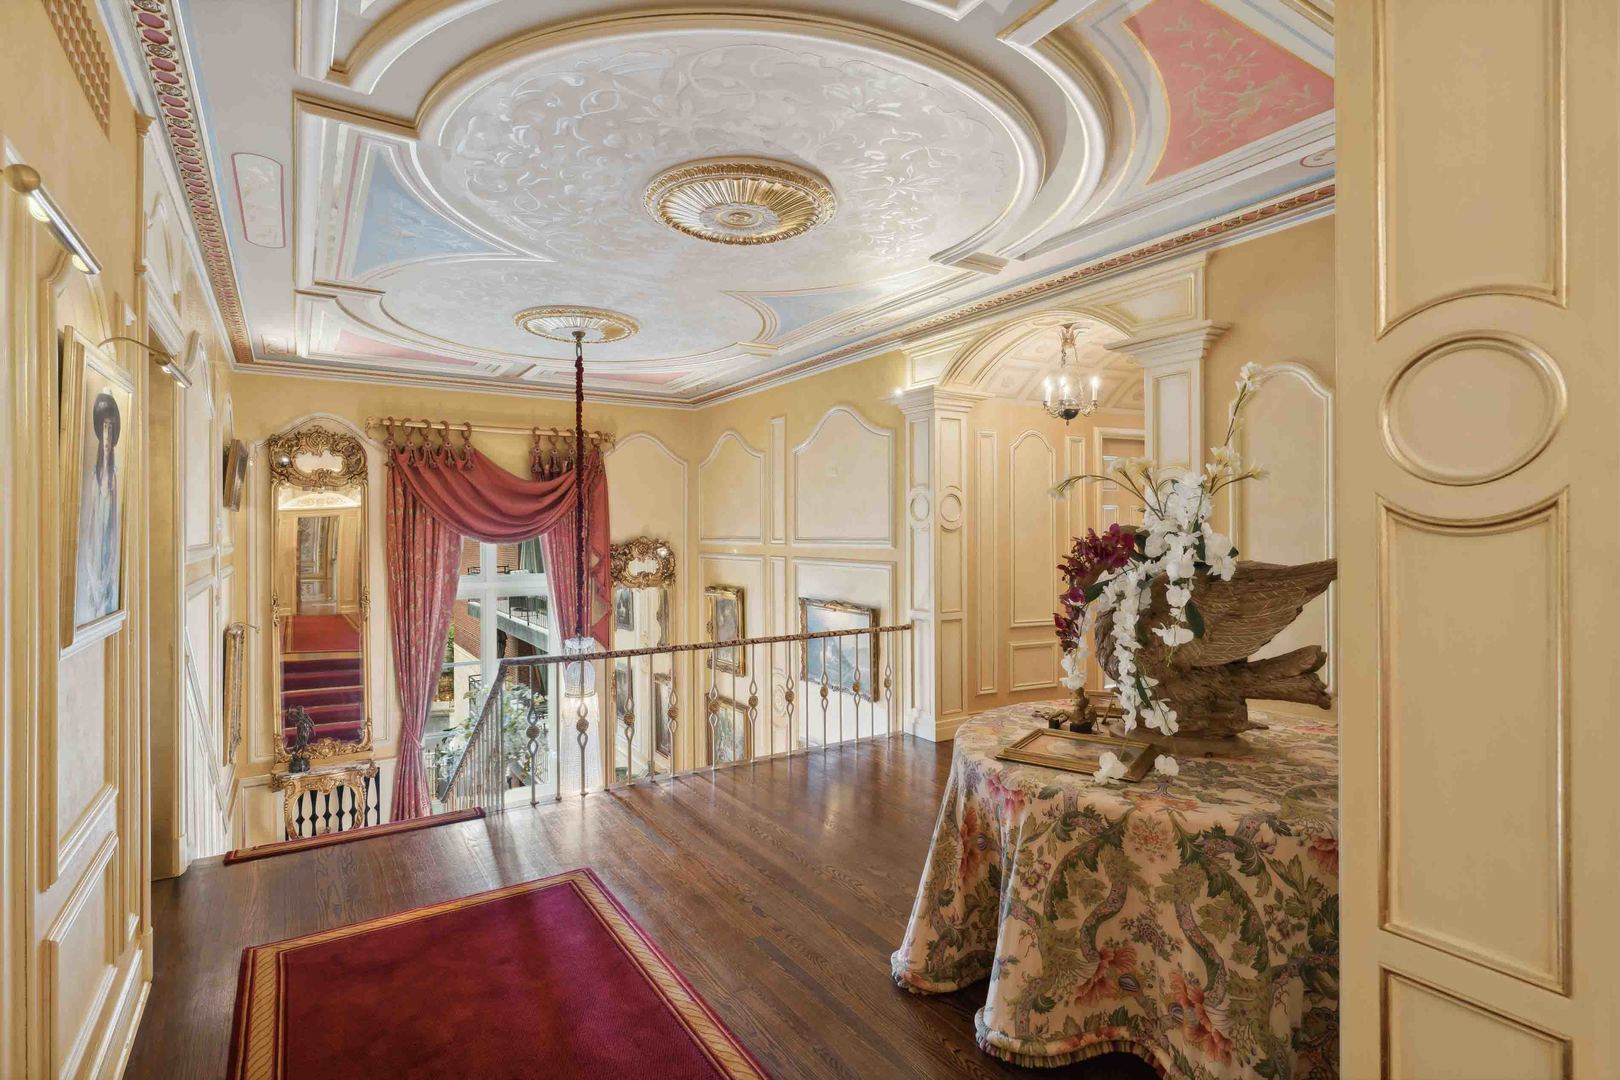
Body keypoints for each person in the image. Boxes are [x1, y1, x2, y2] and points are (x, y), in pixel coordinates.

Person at [74, 390, 122, 625]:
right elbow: (88, 532)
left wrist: (108, 573)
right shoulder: (93, 479)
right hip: (92, 572)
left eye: (110, 429)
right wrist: (94, 578)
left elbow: (114, 534)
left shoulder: (114, 480)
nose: (107, 436)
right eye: (104, 428)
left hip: (107, 574)